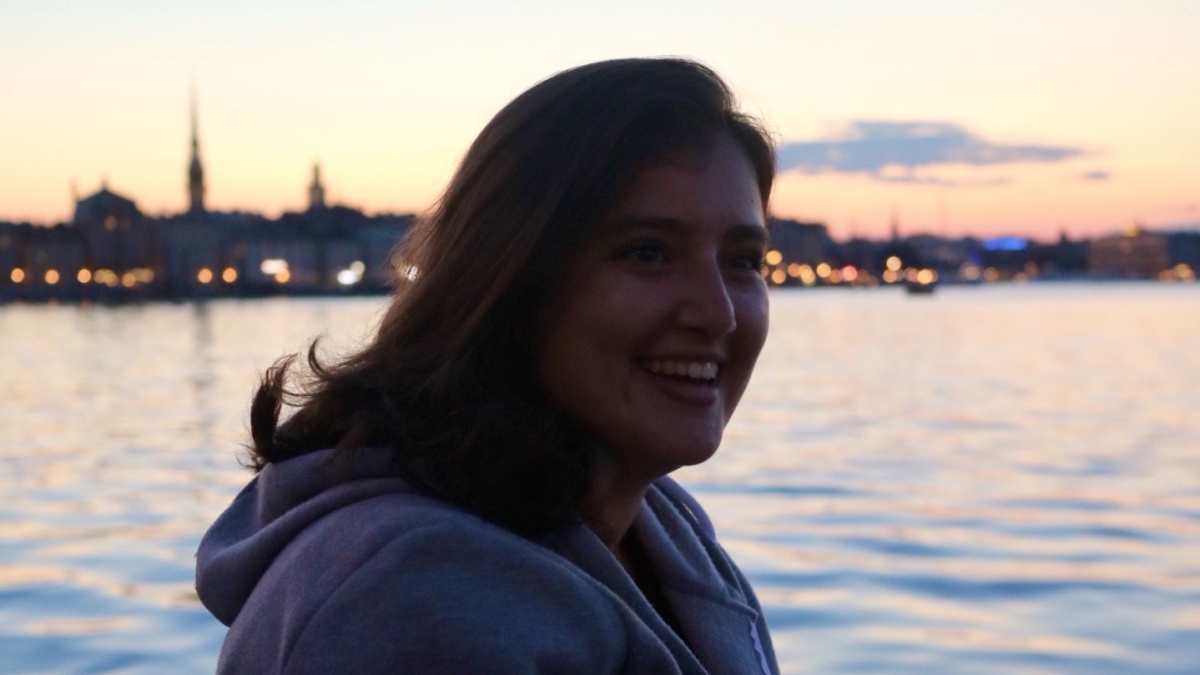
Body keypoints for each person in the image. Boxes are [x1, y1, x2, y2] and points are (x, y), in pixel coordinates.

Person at [196, 57, 780, 675]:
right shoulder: (409, 602)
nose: (718, 314)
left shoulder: (660, 526)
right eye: (648, 252)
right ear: (508, 278)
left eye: (743, 260)